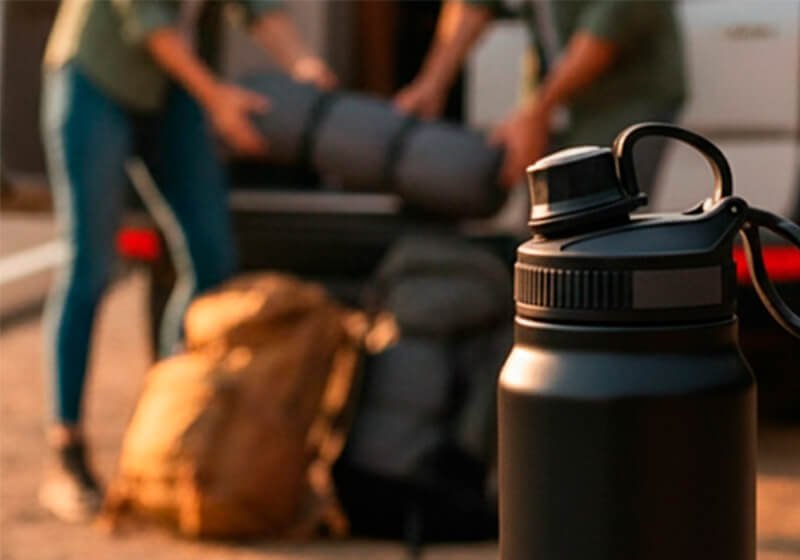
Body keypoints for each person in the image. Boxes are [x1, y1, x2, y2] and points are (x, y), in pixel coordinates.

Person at [39, 0, 336, 523]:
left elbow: (259, 8)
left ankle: (170, 419)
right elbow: (149, 26)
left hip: (166, 87)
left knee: (211, 255)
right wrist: (217, 97)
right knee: (89, 265)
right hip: (96, 78)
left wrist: (303, 65)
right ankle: (68, 450)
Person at [395, 0, 686, 190]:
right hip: (556, 92)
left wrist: (537, 112)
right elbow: (474, 5)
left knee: (600, 224)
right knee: (543, 224)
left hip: (627, 98)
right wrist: (431, 83)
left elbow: (606, 32)